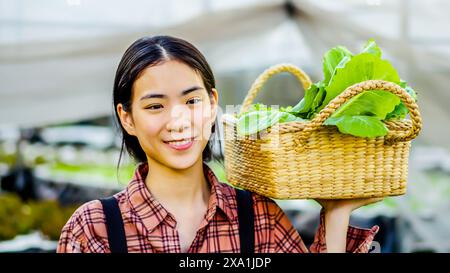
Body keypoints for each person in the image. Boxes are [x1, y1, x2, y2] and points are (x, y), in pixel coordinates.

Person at [57, 35, 381, 253]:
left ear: (213, 104)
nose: (179, 121)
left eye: (192, 101)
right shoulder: (94, 229)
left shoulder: (257, 217)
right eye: (155, 106)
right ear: (127, 118)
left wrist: (336, 213)